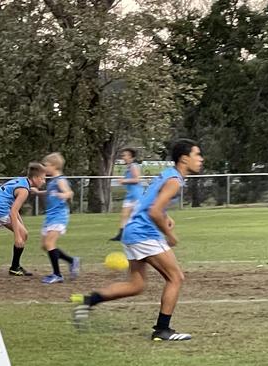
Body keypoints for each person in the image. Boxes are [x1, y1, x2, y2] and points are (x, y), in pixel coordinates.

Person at [72, 139, 203, 341]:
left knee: (136, 285)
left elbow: (150, 203)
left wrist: (167, 218)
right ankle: (162, 330)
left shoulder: (168, 175)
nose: (201, 159)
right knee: (175, 278)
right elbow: (154, 211)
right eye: (197, 154)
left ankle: (88, 301)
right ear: (185, 159)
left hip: (132, 231)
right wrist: (170, 235)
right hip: (144, 234)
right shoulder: (174, 180)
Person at [0, 163, 46, 276]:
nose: (44, 181)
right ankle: (15, 267)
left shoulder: (21, 180)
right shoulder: (24, 190)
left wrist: (21, 225)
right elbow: (12, 212)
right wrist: (17, 236)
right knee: (22, 235)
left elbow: (14, 209)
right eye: (43, 178)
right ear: (35, 178)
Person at [36, 153, 80, 284]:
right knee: (45, 245)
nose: (44, 168)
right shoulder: (53, 181)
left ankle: (57, 274)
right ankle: (72, 261)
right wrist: (38, 192)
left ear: (54, 166)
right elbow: (50, 193)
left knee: (49, 244)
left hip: (59, 216)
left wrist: (64, 195)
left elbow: (69, 192)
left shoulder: (60, 179)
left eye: (46, 165)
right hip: (51, 215)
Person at [110, 148, 143, 241]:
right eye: (123, 155)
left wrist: (124, 181)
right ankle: (121, 234)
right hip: (130, 195)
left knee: (136, 216)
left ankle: (137, 234)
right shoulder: (129, 167)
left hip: (136, 195)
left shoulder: (134, 166)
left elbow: (137, 179)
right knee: (124, 215)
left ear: (131, 157)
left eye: (125, 155)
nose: (123, 157)